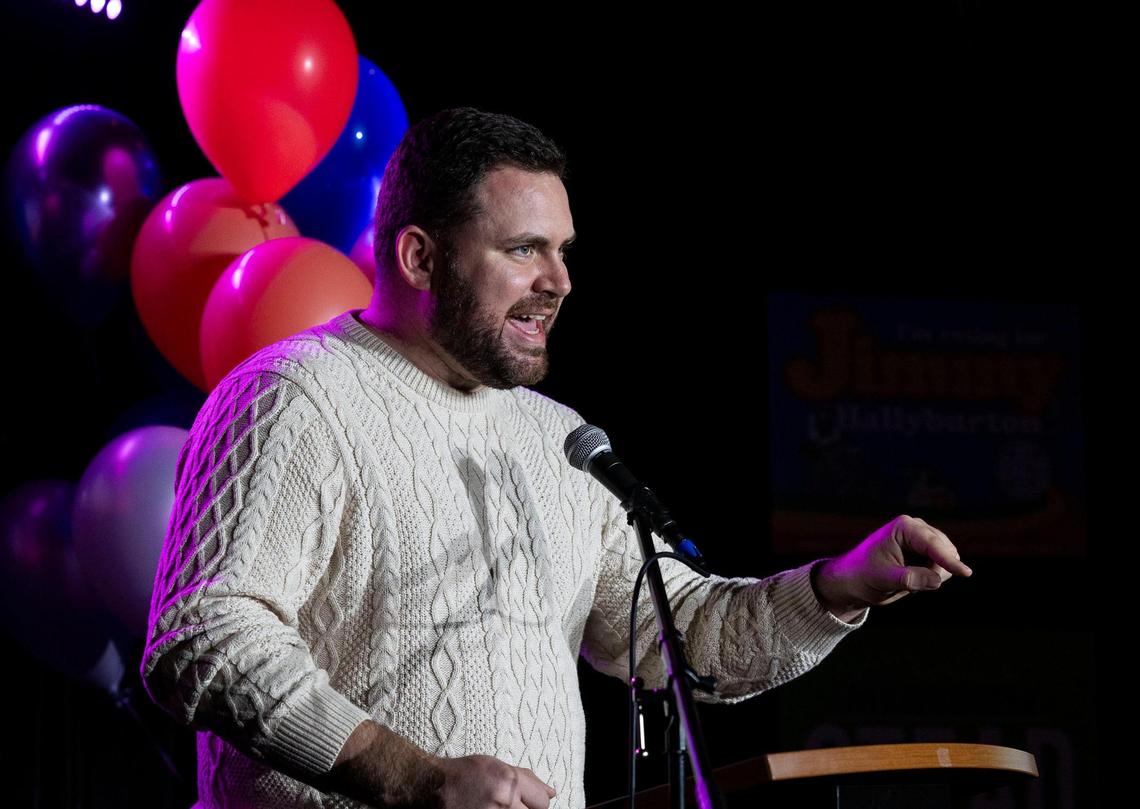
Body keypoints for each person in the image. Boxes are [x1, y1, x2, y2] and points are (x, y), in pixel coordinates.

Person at [141, 106, 971, 809]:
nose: (560, 280)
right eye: (524, 249)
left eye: (564, 250)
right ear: (419, 257)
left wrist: (839, 586)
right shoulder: (294, 396)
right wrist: (413, 777)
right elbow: (203, 636)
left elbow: (681, 640)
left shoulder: (556, 438)